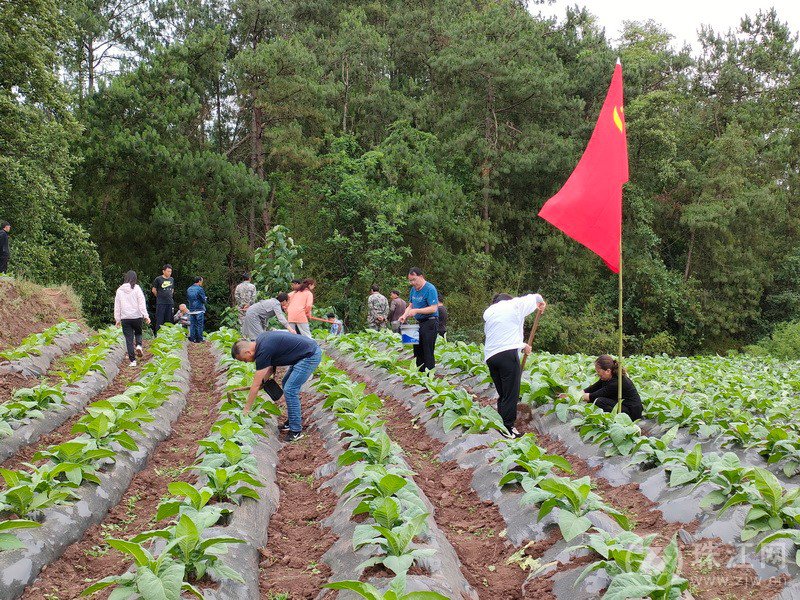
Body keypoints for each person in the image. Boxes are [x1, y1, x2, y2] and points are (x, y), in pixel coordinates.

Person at [231, 331, 323, 441]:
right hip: (303, 353)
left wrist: (246, 410)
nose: (246, 362)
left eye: (244, 360)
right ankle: (293, 420)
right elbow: (269, 367)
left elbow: (255, 386)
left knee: (290, 389)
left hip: (309, 355)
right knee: (286, 383)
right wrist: (263, 381)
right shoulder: (261, 341)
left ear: (247, 352)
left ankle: (295, 431)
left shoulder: (262, 351)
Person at [483, 292, 546, 438]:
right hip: (507, 355)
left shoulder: (490, 313)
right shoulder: (514, 304)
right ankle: (508, 428)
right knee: (511, 393)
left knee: (504, 393)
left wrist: (523, 345)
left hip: (491, 357)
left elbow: (503, 335)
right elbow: (536, 297)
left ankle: (501, 424)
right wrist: (542, 304)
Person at [399, 267, 439, 371]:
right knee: (417, 350)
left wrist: (417, 311)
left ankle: (429, 375)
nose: (412, 283)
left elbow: (433, 308)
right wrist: (404, 315)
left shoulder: (430, 289)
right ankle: (420, 375)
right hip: (418, 323)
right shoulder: (413, 290)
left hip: (430, 322)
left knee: (427, 351)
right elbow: (410, 305)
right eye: (410, 280)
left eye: (414, 280)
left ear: (421, 277)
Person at [583, 354, 643, 420]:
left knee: (599, 401)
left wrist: (578, 397)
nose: (597, 373)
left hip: (632, 412)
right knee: (596, 400)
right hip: (623, 406)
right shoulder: (608, 376)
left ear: (608, 371)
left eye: (598, 371)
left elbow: (592, 396)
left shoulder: (617, 382)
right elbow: (592, 388)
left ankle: (613, 420)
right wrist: (576, 393)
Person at [114, 271, 151, 367]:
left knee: (129, 340)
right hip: (137, 317)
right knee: (138, 333)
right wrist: (146, 315)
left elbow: (117, 306)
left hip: (125, 318)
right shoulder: (137, 288)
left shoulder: (119, 290)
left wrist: (117, 319)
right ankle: (139, 345)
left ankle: (133, 361)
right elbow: (141, 303)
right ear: (135, 278)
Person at [151, 264, 175, 335]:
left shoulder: (172, 279)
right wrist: (159, 296)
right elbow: (153, 290)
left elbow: (172, 289)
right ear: (163, 271)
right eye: (168, 271)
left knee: (169, 320)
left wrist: (169, 296)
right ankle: (158, 335)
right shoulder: (158, 279)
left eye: (170, 272)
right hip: (161, 302)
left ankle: (169, 335)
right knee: (160, 319)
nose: (169, 273)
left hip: (170, 302)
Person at [186, 276, 207, 343]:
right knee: (199, 325)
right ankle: (199, 339)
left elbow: (188, 298)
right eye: (202, 281)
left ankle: (192, 339)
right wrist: (205, 299)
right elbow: (203, 300)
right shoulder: (200, 289)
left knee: (192, 324)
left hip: (191, 309)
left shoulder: (189, 289)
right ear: (199, 281)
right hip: (199, 309)